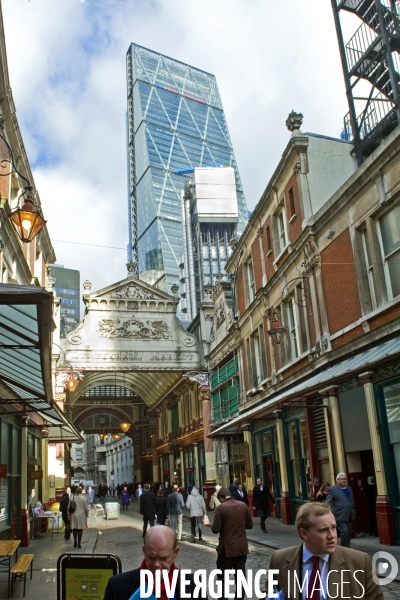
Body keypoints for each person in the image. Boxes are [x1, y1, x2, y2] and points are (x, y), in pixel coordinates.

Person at [266, 502, 383, 600]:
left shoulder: (360, 562)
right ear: (304, 533)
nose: (332, 535)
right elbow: (268, 594)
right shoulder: (279, 559)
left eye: (333, 527)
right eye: (323, 530)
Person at [103, 525, 202, 600]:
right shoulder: (117, 586)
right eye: (151, 557)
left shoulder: (194, 584)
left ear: (175, 553)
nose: (156, 565)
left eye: (163, 558)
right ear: (144, 551)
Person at [211, 487, 253, 598]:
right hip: (241, 547)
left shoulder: (221, 508)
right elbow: (250, 525)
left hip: (227, 548)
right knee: (240, 576)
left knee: (222, 576)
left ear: (221, 497)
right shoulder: (243, 505)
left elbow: (215, 529)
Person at [326, 472, 356, 547]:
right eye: (342, 479)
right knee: (344, 531)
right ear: (337, 480)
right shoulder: (332, 489)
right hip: (339, 515)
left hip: (349, 514)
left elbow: (351, 500)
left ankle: (347, 548)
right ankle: (344, 548)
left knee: (348, 533)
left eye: (345, 479)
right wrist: (328, 513)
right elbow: (328, 503)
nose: (344, 480)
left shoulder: (349, 488)